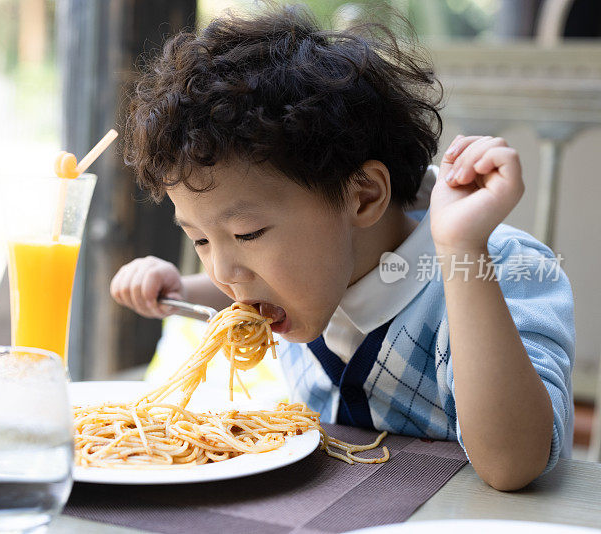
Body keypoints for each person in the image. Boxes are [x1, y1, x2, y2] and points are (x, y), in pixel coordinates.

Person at [110, 5, 574, 491]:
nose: (225, 270)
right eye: (200, 239)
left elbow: (514, 465)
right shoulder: (305, 282)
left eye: (247, 234)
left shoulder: (500, 268)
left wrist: (463, 244)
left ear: (364, 195)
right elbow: (240, 289)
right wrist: (181, 288)